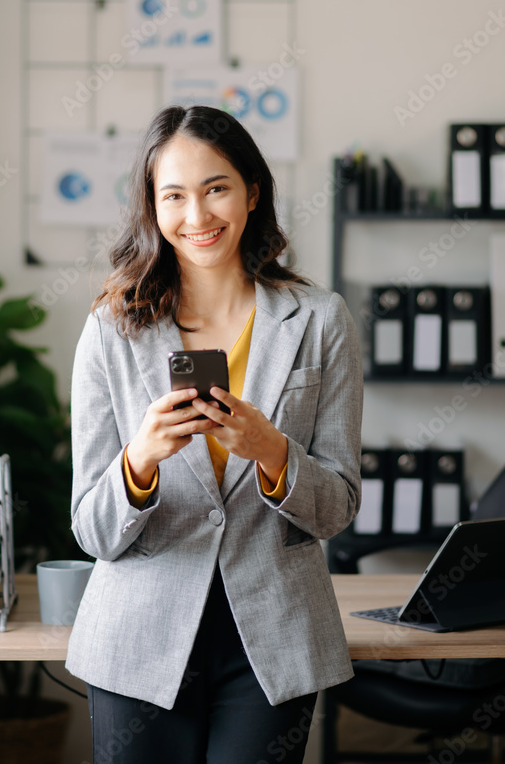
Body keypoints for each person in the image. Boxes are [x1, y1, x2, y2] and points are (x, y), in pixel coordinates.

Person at [66, 105, 364, 764]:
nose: (197, 216)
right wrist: (139, 461)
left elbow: (338, 506)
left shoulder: (320, 321)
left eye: (217, 188)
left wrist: (272, 452)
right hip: (137, 643)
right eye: (173, 195)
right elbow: (91, 529)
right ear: (151, 206)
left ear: (253, 192)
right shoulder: (112, 331)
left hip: (275, 640)